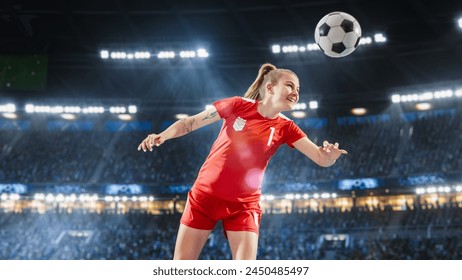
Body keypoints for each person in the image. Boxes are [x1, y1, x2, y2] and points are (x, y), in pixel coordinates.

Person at [137, 63, 347, 260]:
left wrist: (329, 157)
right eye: (290, 86)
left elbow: (320, 158)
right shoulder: (238, 105)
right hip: (204, 198)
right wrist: (162, 135)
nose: (296, 92)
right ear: (270, 88)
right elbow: (189, 123)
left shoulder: (287, 127)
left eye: (298, 89)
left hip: (244, 206)